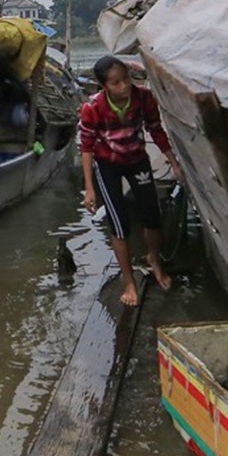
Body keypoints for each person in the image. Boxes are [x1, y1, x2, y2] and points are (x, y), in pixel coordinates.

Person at [79, 55, 181, 306]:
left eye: (126, 79)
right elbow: (87, 148)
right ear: (104, 86)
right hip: (108, 165)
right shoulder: (93, 107)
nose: (124, 86)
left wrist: (174, 162)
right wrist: (89, 189)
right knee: (118, 224)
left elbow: (156, 129)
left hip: (137, 160)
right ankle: (129, 282)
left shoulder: (143, 97)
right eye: (116, 83)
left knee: (152, 215)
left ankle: (154, 260)